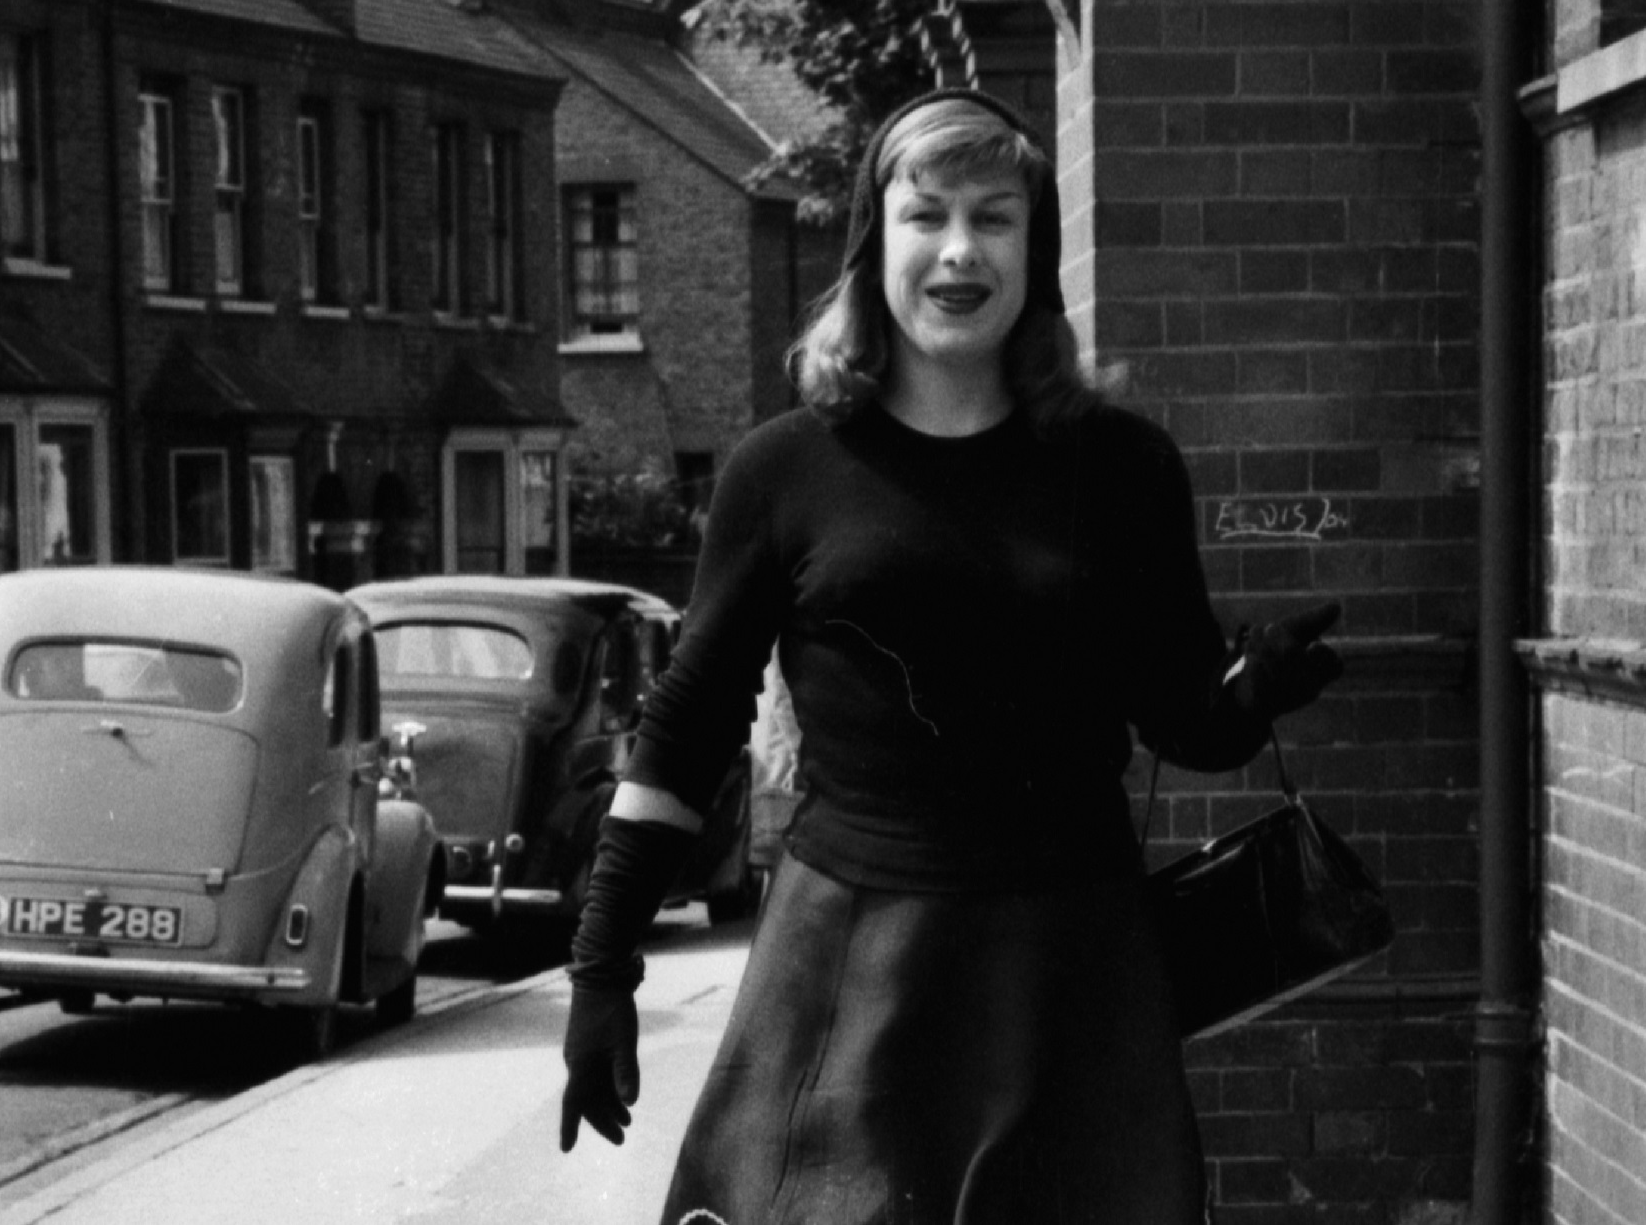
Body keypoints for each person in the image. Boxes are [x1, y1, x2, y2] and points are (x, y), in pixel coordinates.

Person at [558, 88, 1342, 1224]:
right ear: (874, 245)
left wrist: (1252, 687)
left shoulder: (1122, 467)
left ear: (1038, 250)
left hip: (1071, 963)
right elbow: (684, 731)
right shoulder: (782, 469)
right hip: (851, 960)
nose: (960, 250)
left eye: (995, 217)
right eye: (926, 215)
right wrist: (602, 968)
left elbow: (1185, 720)